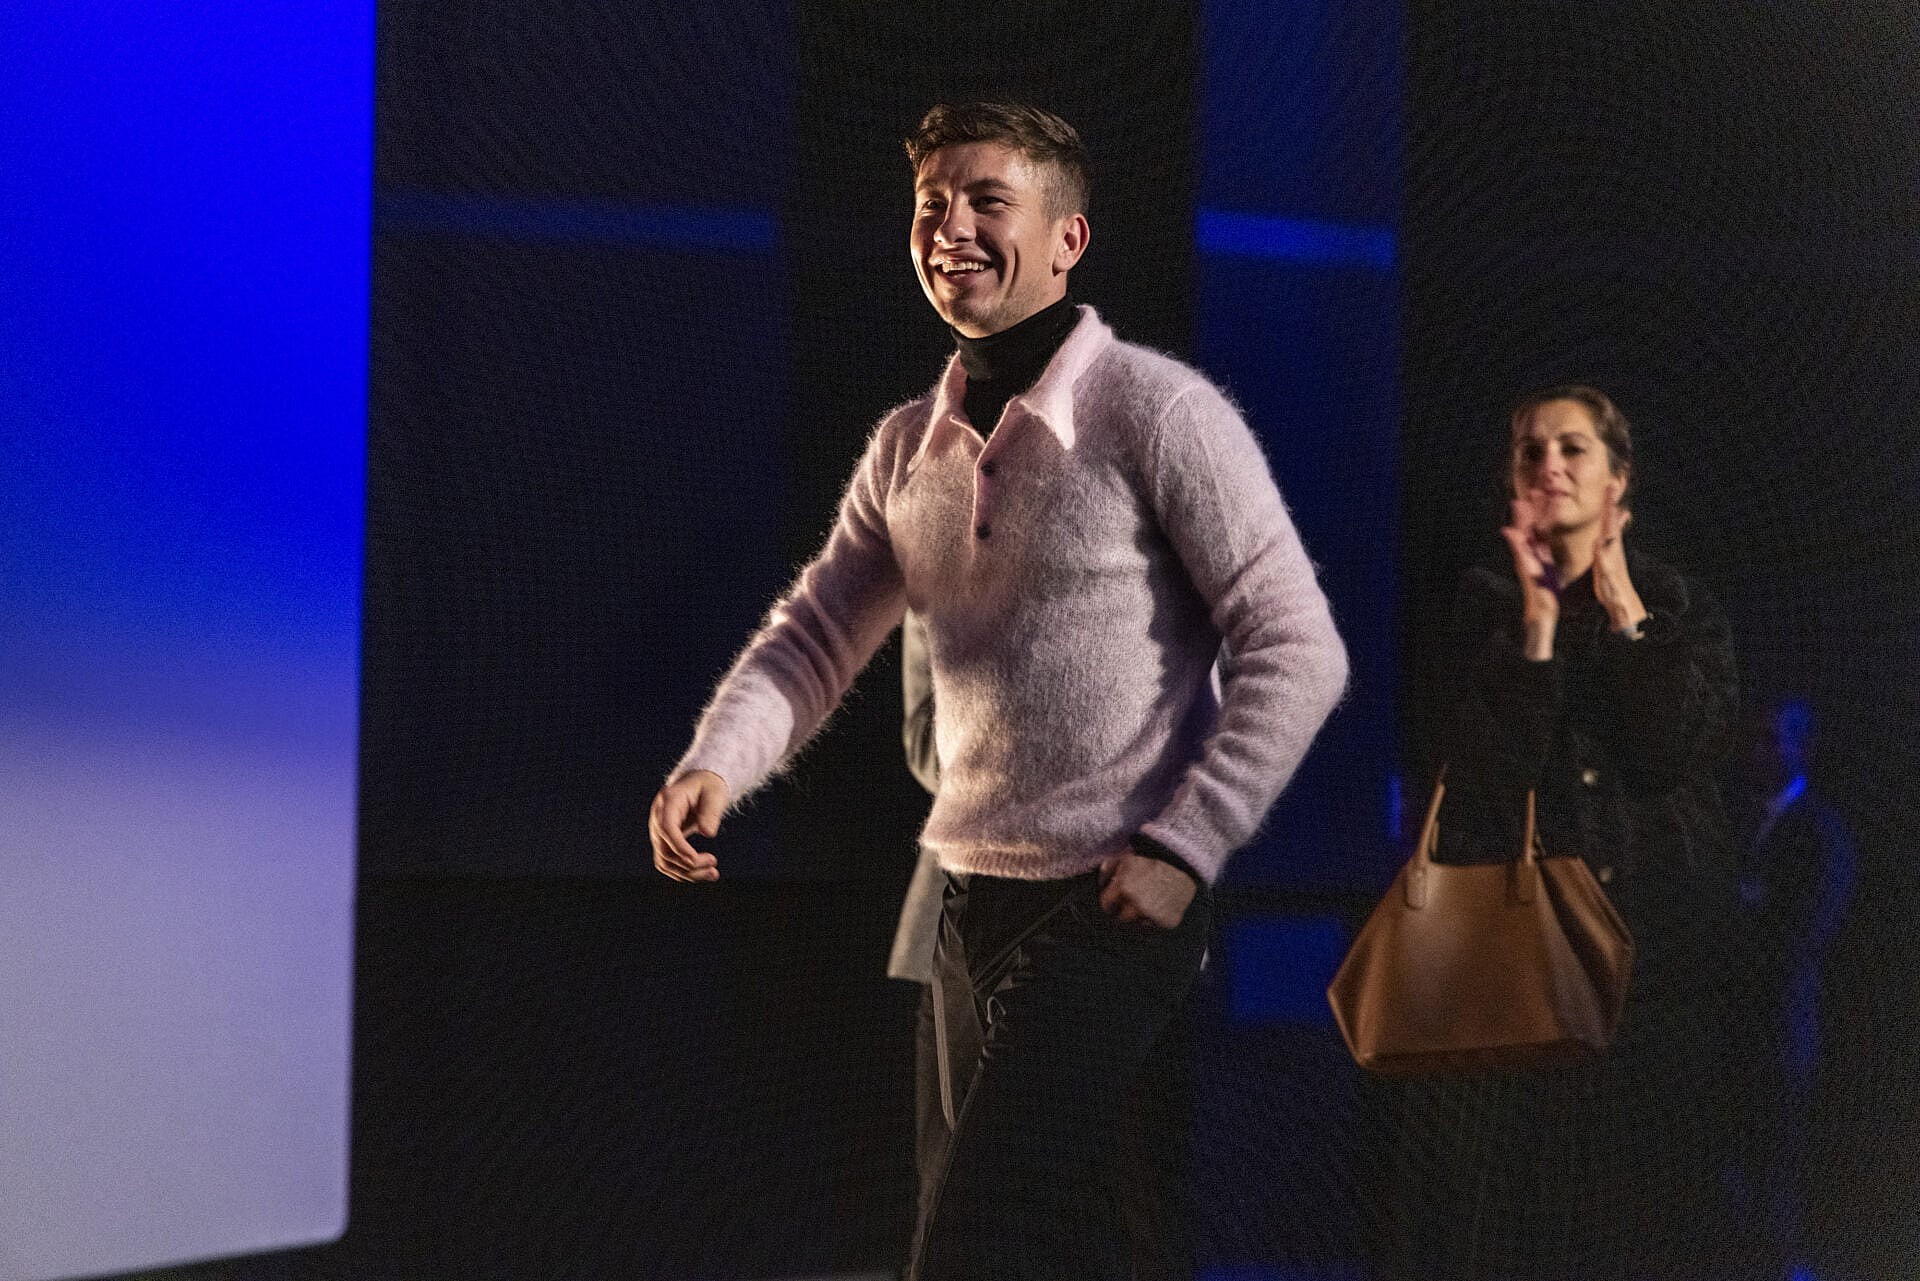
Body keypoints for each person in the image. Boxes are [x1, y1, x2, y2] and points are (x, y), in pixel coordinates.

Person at [648, 102, 1347, 1280]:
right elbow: (815, 633)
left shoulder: (1156, 411)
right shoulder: (905, 447)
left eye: (987, 201)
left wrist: (1184, 848)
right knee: (1045, 1244)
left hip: (1111, 906)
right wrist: (718, 759)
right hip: (968, 903)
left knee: (973, 1246)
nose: (951, 228)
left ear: (1069, 239)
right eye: (932, 205)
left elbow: (1299, 645)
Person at [1382, 385, 1743, 1280]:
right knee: (1513, 1229)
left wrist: (1622, 610)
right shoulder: (1478, 604)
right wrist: (1536, 630)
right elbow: (1483, 774)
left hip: (1657, 969)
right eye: (1531, 452)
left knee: (1651, 1227)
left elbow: (1668, 757)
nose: (1550, 466)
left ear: (1619, 481)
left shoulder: (1679, 604)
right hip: (1518, 975)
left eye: (1573, 448)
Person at [1731, 697, 1859, 1278]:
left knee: (1776, 1173)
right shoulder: (1741, 821)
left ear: (1800, 749)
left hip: (1780, 1029)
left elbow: (1805, 932)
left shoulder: (1821, 832)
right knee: (1735, 1176)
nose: (1757, 752)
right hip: (1732, 1027)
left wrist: (1750, 917)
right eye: (1753, 739)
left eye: (1771, 740)